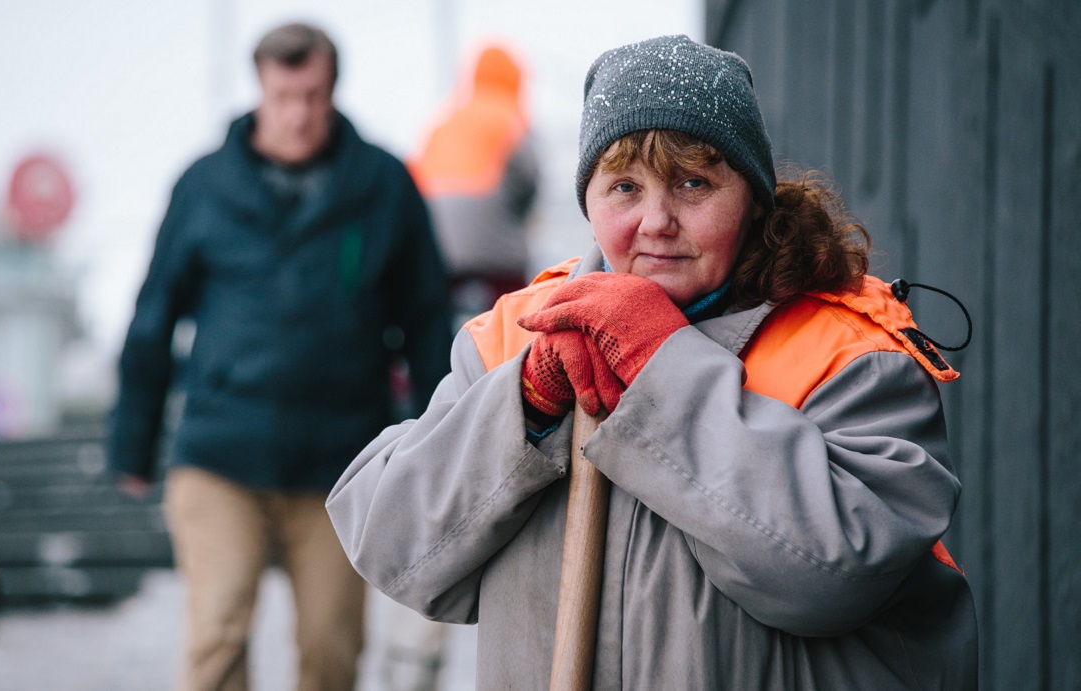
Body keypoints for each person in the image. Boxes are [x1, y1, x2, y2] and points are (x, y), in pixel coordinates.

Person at [327, 34, 978, 689]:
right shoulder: (515, 336)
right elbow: (394, 547)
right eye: (624, 186)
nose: (657, 220)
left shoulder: (848, 353)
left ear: (752, 197)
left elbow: (836, 573)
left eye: (694, 182)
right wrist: (525, 403)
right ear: (588, 201)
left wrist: (662, 366)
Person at [107, 22, 453, 691]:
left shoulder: (384, 183)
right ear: (261, 89)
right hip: (220, 454)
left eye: (314, 96)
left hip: (342, 460)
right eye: (285, 96)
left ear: (333, 89)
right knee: (218, 629)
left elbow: (425, 319)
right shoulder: (204, 185)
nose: (300, 113)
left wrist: (438, 442)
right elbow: (152, 319)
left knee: (331, 649)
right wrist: (132, 446)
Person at [407, 43, 538, 328]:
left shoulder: (442, 122)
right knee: (513, 324)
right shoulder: (510, 118)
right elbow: (529, 181)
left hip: (438, 250)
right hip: (497, 255)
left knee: (437, 324)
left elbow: (415, 182)